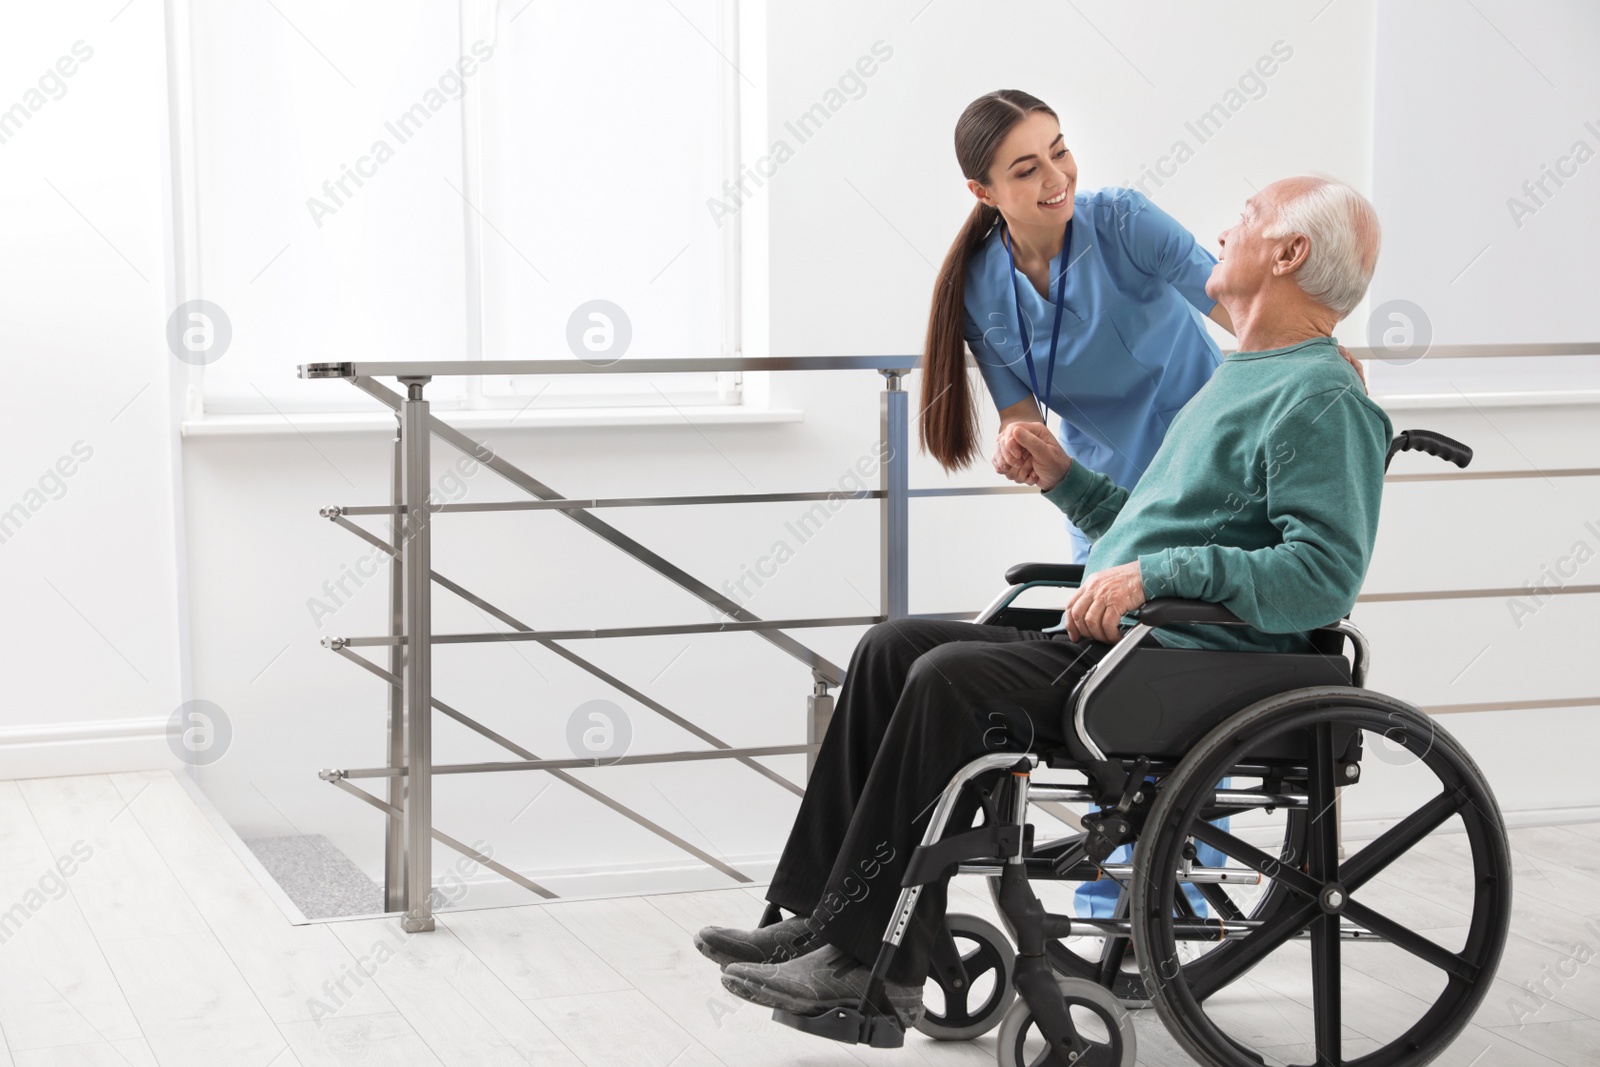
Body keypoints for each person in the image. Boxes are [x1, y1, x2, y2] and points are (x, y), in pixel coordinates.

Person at [695, 174, 1392, 1032]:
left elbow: (1321, 577)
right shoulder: (1237, 378)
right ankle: (814, 915)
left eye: (1248, 217)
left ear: (1288, 254)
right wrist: (1068, 483)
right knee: (893, 648)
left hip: (1192, 666)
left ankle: (865, 968)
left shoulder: (1320, 395)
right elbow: (1144, 534)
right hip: (1140, 643)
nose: (1225, 226)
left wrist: (1157, 577)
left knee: (949, 678)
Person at [923, 90, 1366, 918]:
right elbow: (1023, 418)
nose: (1057, 176)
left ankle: (1170, 878)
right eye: (1028, 167)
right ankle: (1127, 877)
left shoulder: (1121, 222)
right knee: (1120, 687)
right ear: (985, 193)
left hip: (1208, 466)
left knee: (1183, 659)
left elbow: (1240, 303)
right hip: (1104, 492)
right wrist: (1024, 449)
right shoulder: (982, 287)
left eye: (1060, 149)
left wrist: (1324, 364)